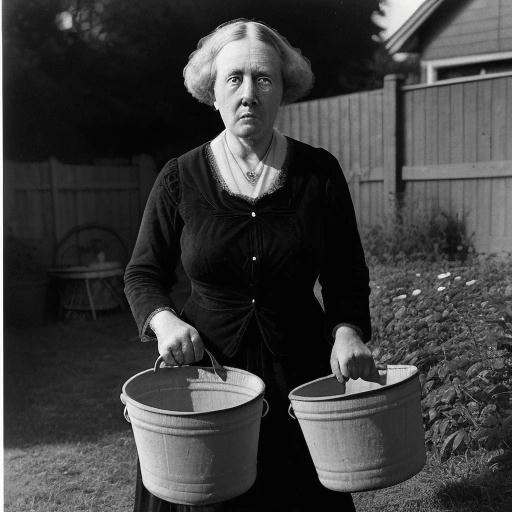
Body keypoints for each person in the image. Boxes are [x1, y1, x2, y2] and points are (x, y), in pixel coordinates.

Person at [124, 18, 377, 512]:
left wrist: (347, 329)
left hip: (298, 381)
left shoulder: (318, 172)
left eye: (263, 78)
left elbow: (347, 272)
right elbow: (142, 273)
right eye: (234, 79)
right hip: (207, 384)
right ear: (212, 91)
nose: (249, 93)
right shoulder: (179, 178)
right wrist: (164, 319)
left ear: (283, 89)